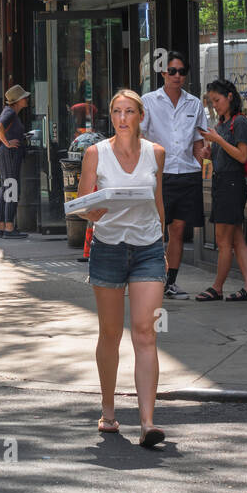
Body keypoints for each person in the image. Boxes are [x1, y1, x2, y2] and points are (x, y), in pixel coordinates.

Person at [75, 89, 168, 447]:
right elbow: (85, 203)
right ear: (110, 117)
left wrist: (163, 244)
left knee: (146, 332)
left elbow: (159, 200)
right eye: (117, 111)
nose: (123, 117)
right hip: (109, 248)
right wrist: (90, 213)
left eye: (130, 111)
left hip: (146, 248)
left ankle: (147, 422)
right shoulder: (95, 154)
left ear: (141, 116)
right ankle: (109, 410)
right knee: (111, 334)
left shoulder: (155, 154)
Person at [140, 51, 206, 300]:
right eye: (172, 71)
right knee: (155, 229)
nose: (177, 76)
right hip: (160, 175)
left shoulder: (195, 104)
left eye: (181, 71)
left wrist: (205, 160)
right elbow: (140, 138)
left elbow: (199, 142)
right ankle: (149, 279)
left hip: (187, 174)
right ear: (163, 73)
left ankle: (170, 282)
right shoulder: (148, 101)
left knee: (177, 230)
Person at [195, 79, 247, 302]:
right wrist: (210, 153)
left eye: (217, 100)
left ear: (229, 96)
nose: (215, 106)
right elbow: (227, 154)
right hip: (222, 182)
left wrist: (218, 140)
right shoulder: (223, 122)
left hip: (232, 184)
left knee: (223, 240)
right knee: (236, 239)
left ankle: (217, 287)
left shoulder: (239, 122)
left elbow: (242, 156)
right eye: (211, 102)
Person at [0, 84, 30, 239]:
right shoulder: (9, 112)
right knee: (12, 188)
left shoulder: (11, 112)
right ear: (17, 101)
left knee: (6, 188)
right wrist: (7, 143)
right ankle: (9, 227)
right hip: (10, 154)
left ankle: (2, 226)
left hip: (7, 153)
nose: (26, 99)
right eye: (24, 97)